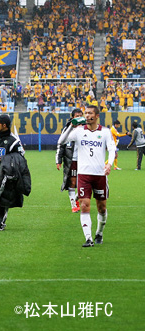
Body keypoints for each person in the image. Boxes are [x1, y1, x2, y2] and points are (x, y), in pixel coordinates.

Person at [57, 105, 115, 247]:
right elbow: (61, 141)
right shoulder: (78, 131)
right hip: (84, 175)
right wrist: (71, 126)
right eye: (85, 113)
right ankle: (88, 238)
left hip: (100, 175)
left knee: (101, 208)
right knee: (84, 205)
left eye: (90, 113)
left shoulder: (105, 132)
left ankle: (99, 233)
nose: (87, 115)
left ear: (96, 116)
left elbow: (112, 149)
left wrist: (109, 164)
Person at [56, 108, 83, 213]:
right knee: (72, 182)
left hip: (84, 160)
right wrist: (58, 160)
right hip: (71, 160)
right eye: (77, 116)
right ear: (72, 118)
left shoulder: (86, 129)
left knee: (86, 182)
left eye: (81, 115)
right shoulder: (67, 129)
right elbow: (61, 144)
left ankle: (76, 198)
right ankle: (73, 205)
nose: (79, 118)